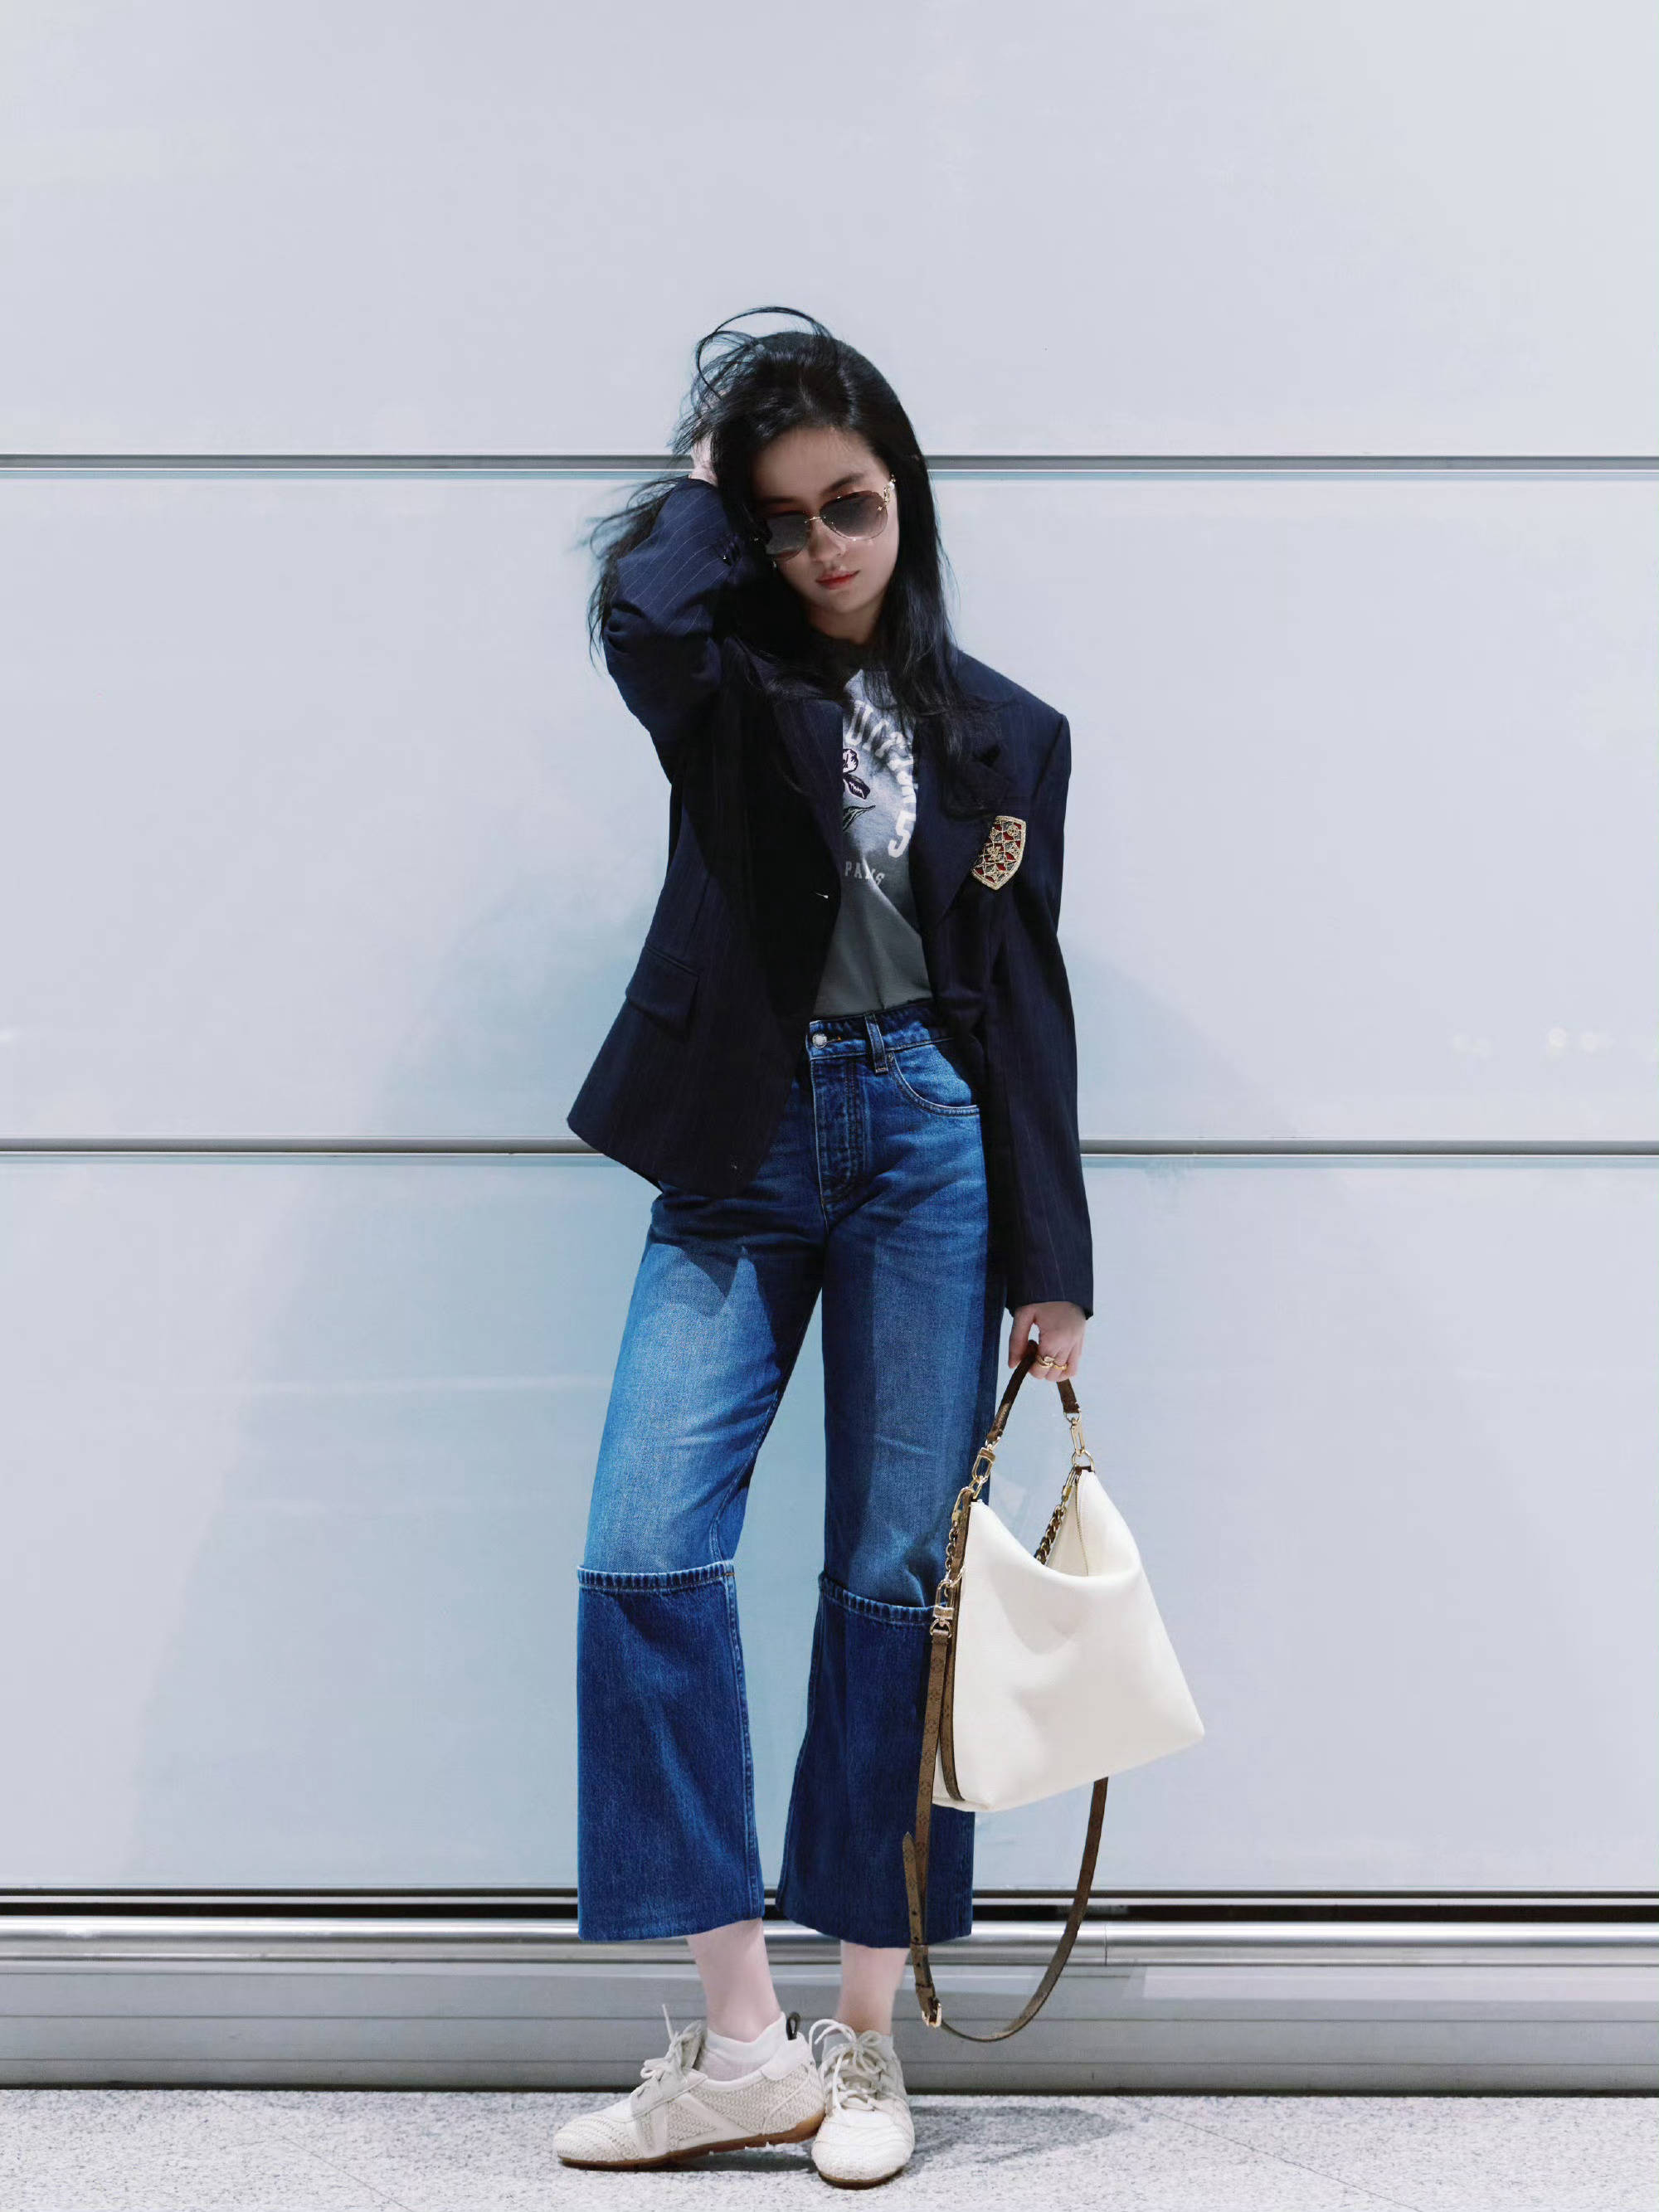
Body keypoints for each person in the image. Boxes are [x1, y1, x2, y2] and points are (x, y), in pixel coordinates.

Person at [553, 308, 1092, 2185]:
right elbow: (640, 610)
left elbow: (1023, 999)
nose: (820, 548)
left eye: (849, 505)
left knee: (891, 1581)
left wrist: (1055, 1264)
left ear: (906, 499)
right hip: (743, 1136)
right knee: (644, 1551)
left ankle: (863, 2034)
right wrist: (710, 476)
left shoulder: (1010, 734)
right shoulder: (724, 687)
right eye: (781, 521)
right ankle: (741, 2042)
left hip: (929, 1146)